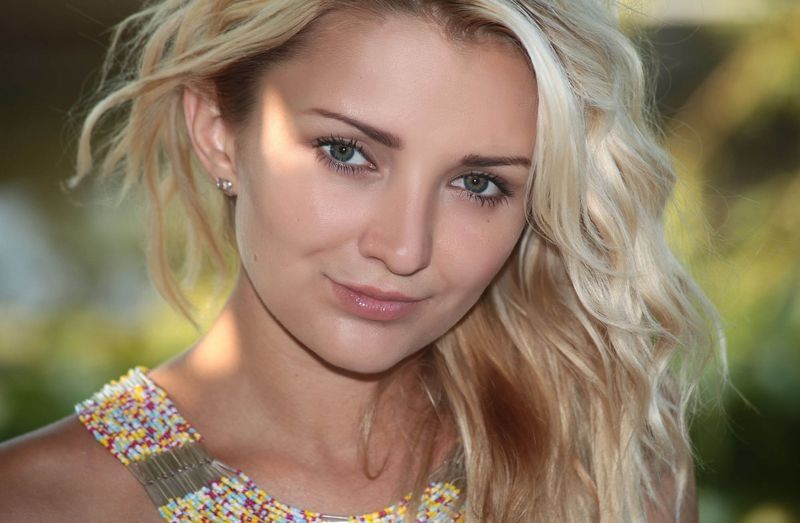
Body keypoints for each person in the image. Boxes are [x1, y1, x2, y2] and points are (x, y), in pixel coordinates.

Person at [0, 0, 721, 521]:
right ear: (218, 131)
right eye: (347, 153)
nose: (404, 248)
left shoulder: (611, 470)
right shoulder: (36, 501)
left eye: (480, 184)